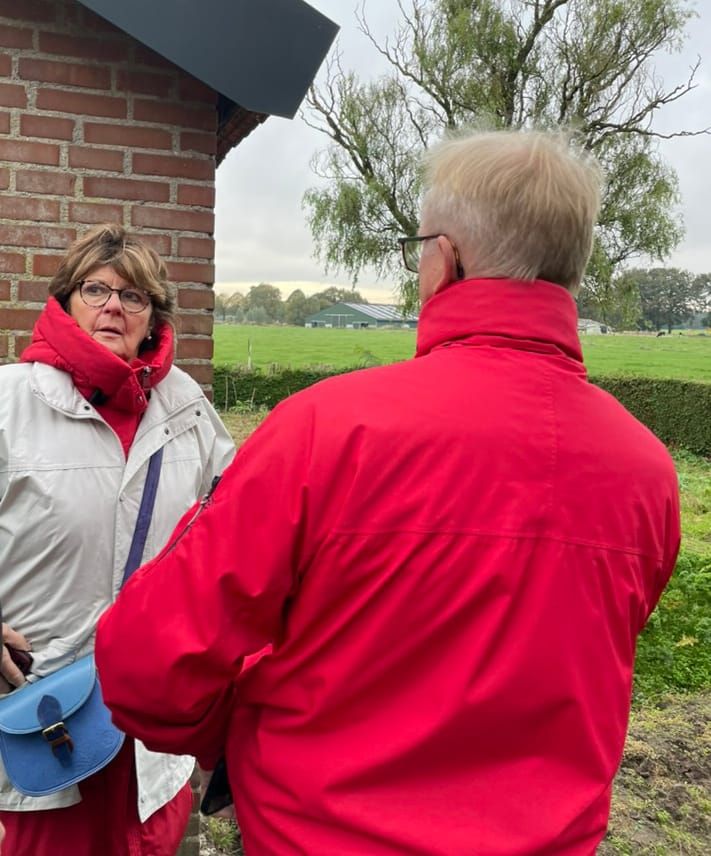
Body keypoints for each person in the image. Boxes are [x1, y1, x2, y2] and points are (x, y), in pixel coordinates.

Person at [96, 131, 681, 855]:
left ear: (446, 260)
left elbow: (149, 660)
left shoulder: (326, 428)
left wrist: (228, 738)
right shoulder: (647, 470)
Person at [0, 224, 235, 856]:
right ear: (66, 301)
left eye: (133, 297)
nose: (112, 306)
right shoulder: (9, 402)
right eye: (95, 289)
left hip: (148, 729)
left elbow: (233, 534)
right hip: (33, 713)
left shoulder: (187, 409)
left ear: (153, 318)